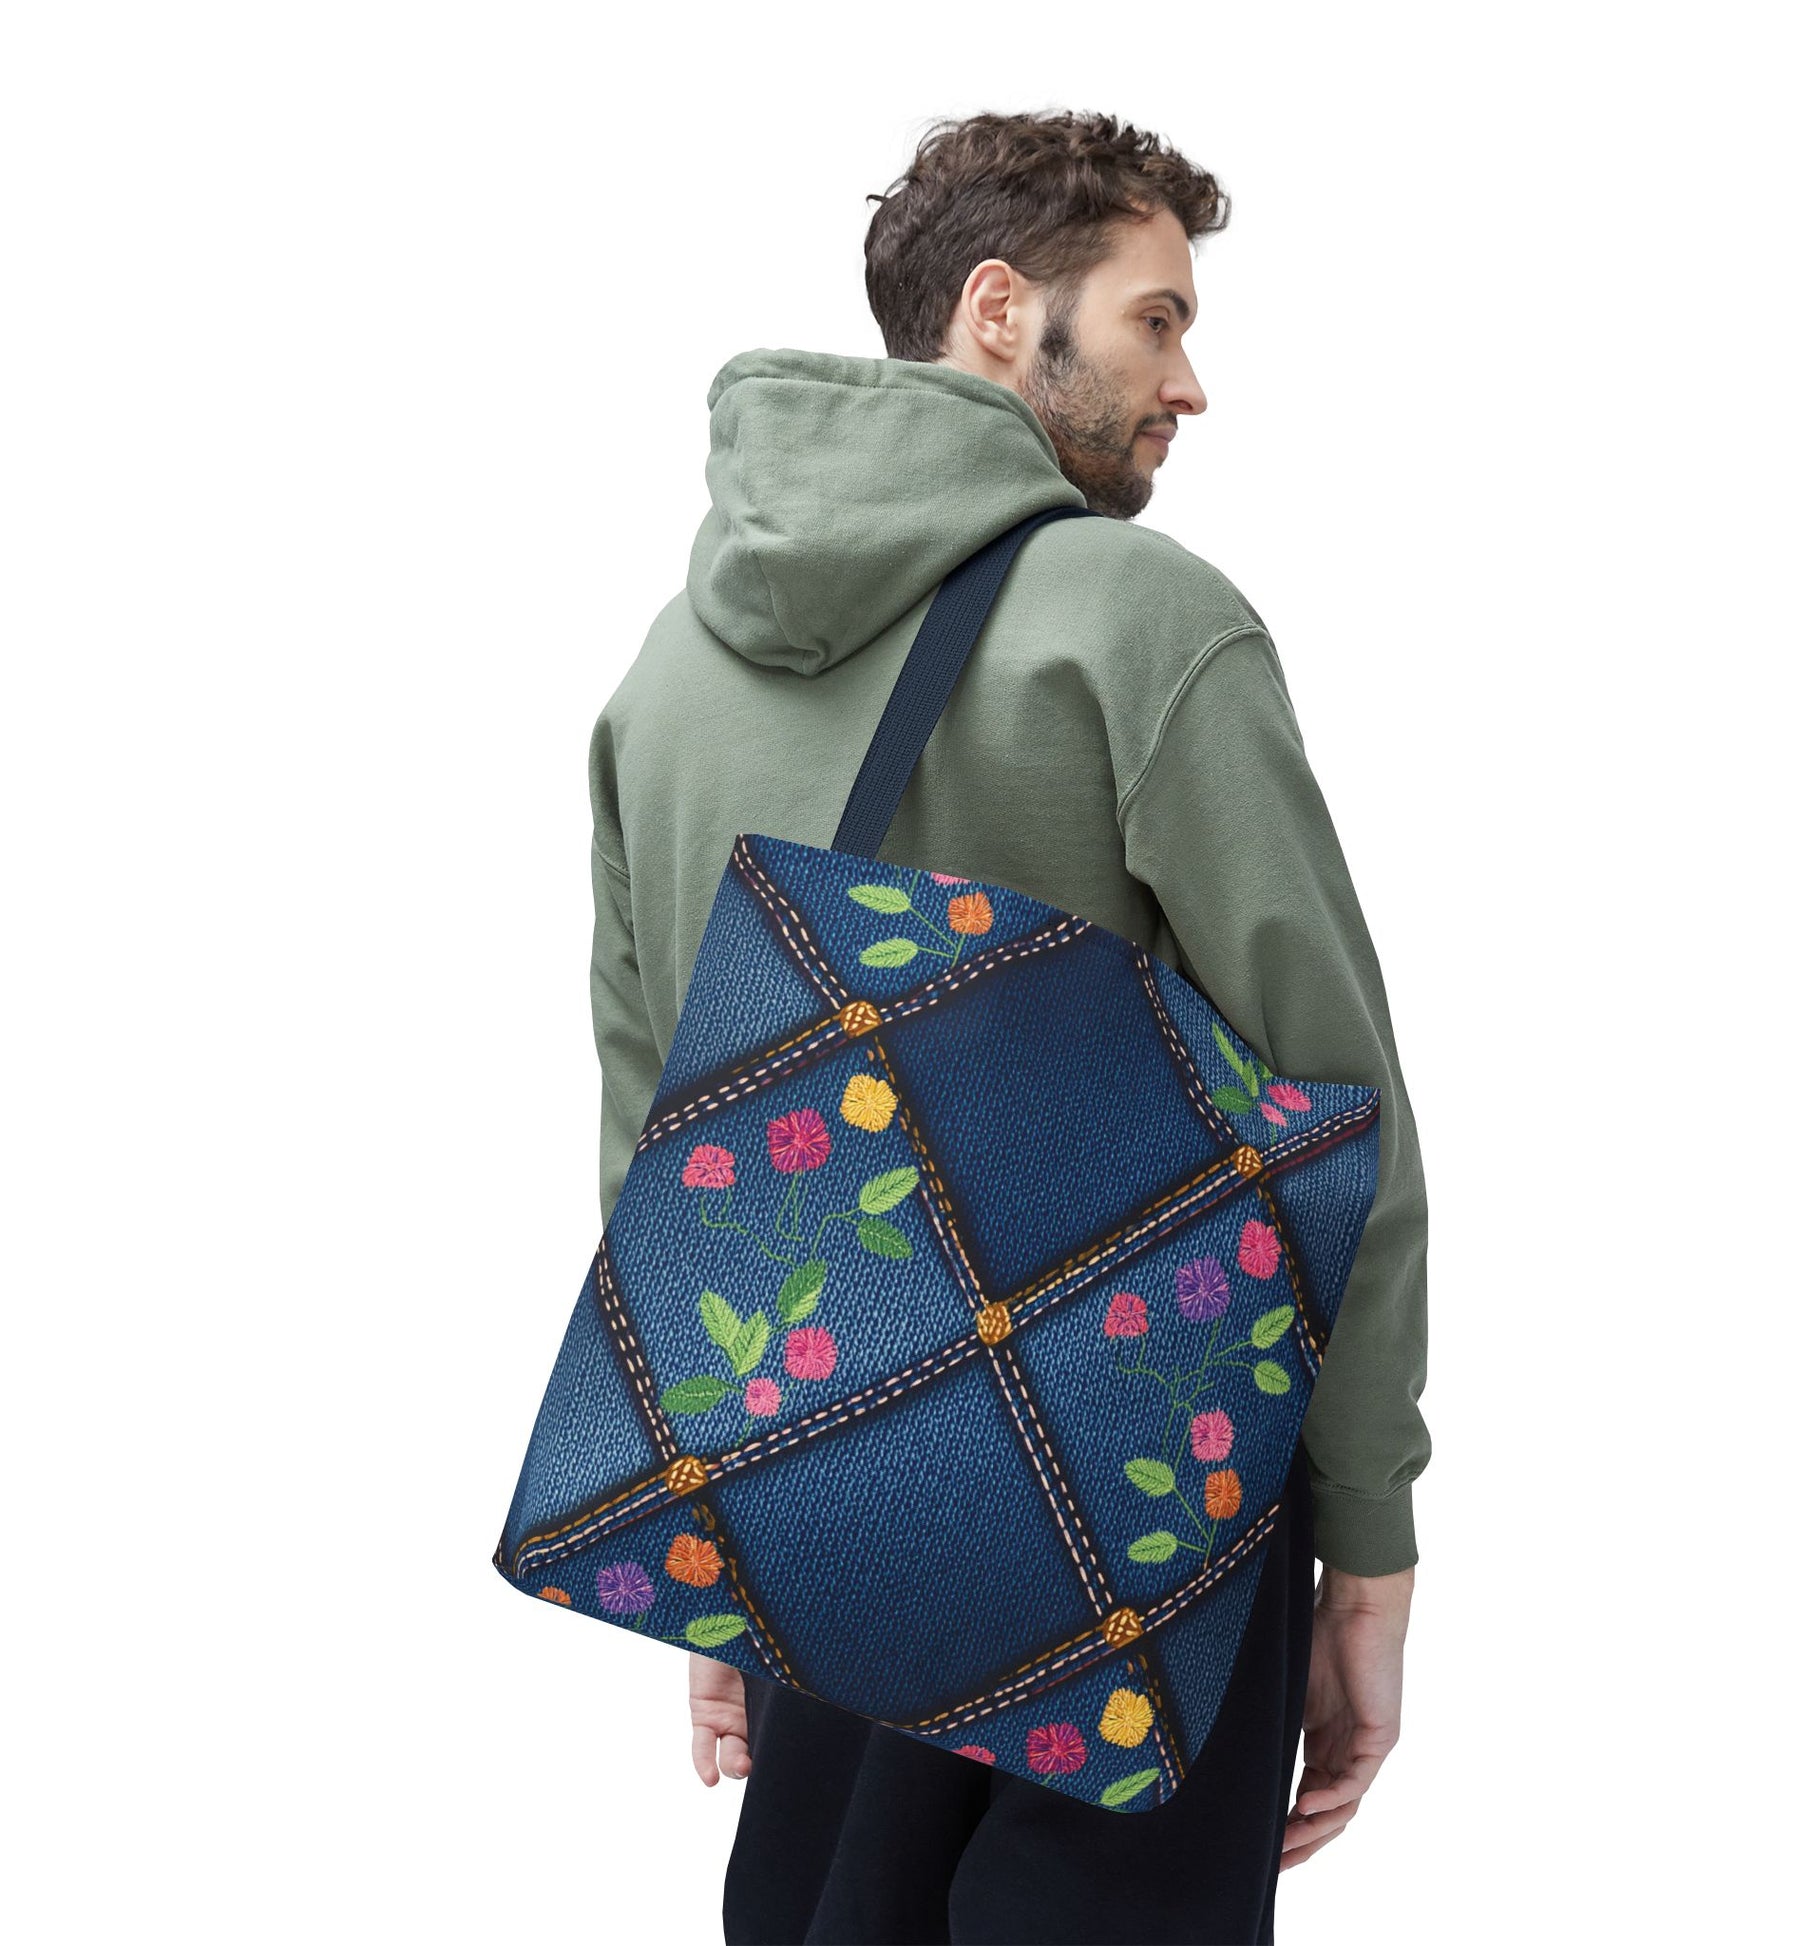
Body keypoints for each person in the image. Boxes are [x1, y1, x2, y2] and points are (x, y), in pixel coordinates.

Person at [585, 109, 1429, 1945]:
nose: (1188, 383)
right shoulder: (1139, 620)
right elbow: (1337, 1108)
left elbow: (666, 1140)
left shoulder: (666, 674)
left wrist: (713, 1537)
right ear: (996, 310)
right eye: (1154, 319)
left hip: (826, 1478)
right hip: (1140, 1495)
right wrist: (1367, 1540)